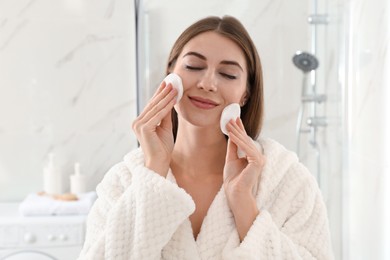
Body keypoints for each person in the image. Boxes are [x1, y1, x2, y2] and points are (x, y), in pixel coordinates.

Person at [78, 15, 333, 259]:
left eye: (228, 74)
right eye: (194, 66)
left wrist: (244, 205)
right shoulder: (123, 181)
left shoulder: (286, 181)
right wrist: (153, 172)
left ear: (245, 94)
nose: (208, 83)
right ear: (170, 74)